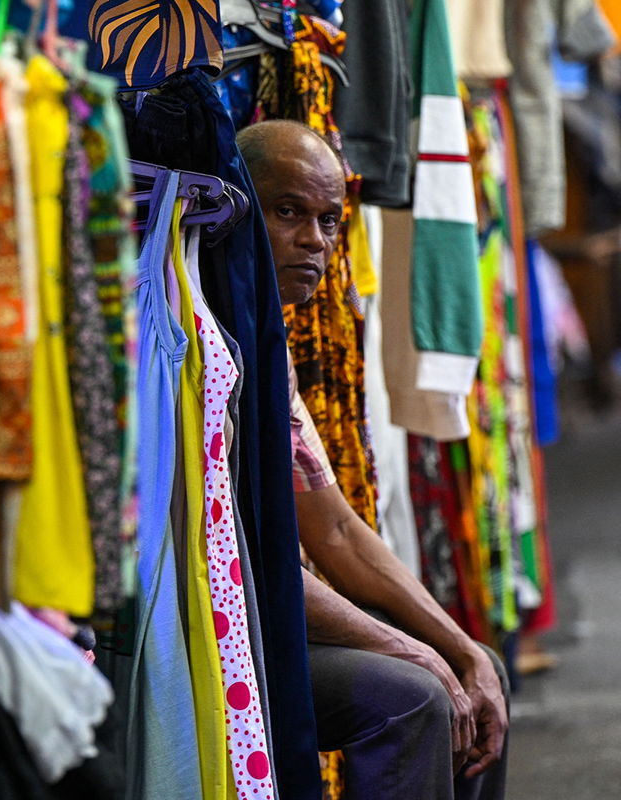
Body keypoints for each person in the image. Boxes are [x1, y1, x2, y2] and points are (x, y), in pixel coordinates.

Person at [235, 120, 509, 800]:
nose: (316, 241)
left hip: (267, 612)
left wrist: (460, 647)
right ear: (234, 207)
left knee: (481, 673)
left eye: (331, 220)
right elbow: (247, 567)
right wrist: (407, 650)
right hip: (210, 633)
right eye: (289, 212)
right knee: (414, 694)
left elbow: (333, 530)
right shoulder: (206, 347)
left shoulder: (273, 353)